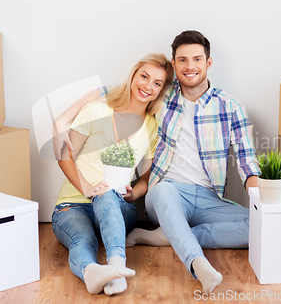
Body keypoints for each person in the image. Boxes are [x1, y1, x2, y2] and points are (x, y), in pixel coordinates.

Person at [53, 31, 260, 294]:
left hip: (210, 197)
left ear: (208, 63)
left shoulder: (231, 106)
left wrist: (259, 196)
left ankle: (164, 236)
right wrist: (61, 121)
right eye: (182, 60)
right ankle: (197, 263)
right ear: (175, 65)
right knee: (152, 191)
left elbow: (247, 158)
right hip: (167, 191)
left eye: (197, 59)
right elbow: (115, 91)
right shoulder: (163, 98)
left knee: (261, 224)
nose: (190, 66)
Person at [52, 53, 174, 296]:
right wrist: (87, 188)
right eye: (144, 76)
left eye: (157, 83)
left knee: (106, 193)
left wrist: (135, 194)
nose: (148, 86)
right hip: (72, 205)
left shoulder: (151, 124)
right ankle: (91, 273)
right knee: (82, 241)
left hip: (118, 206)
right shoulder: (96, 110)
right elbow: (64, 155)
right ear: (133, 75)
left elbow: (149, 173)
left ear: (161, 91)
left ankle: (117, 265)